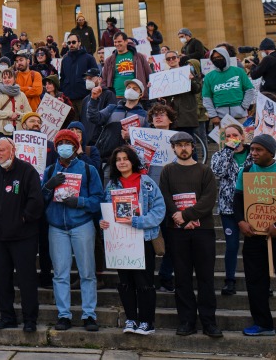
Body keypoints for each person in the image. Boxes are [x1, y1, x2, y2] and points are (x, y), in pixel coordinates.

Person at [159, 131, 221, 338]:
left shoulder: (205, 170)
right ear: (173, 148)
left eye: (187, 144)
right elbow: (166, 197)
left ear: (193, 147)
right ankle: (186, 321)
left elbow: (208, 199)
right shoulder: (167, 171)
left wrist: (185, 215)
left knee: (206, 278)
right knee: (182, 278)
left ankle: (209, 322)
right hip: (177, 232)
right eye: (179, 145)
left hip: (203, 230)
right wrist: (179, 219)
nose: (183, 148)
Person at [41, 129, 104, 332]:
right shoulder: (50, 170)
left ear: (76, 147)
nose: (64, 146)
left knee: (87, 272)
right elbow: (39, 200)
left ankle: (89, 315)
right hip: (57, 227)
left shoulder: (88, 169)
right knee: (60, 273)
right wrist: (48, 187)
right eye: (60, 143)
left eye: (68, 142)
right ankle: (64, 315)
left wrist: (80, 202)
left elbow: (98, 200)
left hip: (82, 225)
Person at [99, 146, 166, 335]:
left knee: (144, 282)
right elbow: (106, 209)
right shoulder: (112, 185)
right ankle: (131, 319)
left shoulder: (147, 183)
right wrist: (103, 221)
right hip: (121, 241)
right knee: (125, 281)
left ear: (133, 161)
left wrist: (137, 221)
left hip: (143, 239)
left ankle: (147, 322)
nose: (122, 162)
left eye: (125, 158)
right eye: (118, 159)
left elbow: (159, 210)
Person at [0, 138, 44, 332]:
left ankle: (30, 319)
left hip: (24, 237)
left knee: (26, 279)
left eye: (3, 150)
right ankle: (7, 316)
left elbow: (36, 200)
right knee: (2, 279)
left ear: (13, 150)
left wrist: (23, 219)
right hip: (1, 237)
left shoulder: (27, 171)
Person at [234, 134, 276, 336]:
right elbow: (237, 201)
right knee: (255, 281)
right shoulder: (247, 171)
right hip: (254, 235)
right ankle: (263, 323)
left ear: (271, 152)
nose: (253, 153)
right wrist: (241, 221)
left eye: (259, 150)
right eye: (252, 149)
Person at [210, 123, 248, 296]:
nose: (231, 138)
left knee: (254, 247)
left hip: (251, 206)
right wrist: (228, 151)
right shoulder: (219, 155)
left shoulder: (253, 153)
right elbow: (217, 172)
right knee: (232, 246)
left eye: (235, 134)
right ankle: (230, 281)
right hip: (229, 208)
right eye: (227, 135)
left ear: (242, 135)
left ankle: (260, 282)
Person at [203, 46, 255, 125]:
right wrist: (213, 116)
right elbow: (206, 98)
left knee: (243, 137)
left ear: (226, 57)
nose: (217, 59)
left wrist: (244, 106)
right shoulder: (209, 76)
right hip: (220, 119)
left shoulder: (239, 71)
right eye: (214, 58)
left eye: (220, 57)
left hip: (240, 117)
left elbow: (250, 90)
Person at [0, 67, 32, 135]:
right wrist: (10, 114)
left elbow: (29, 113)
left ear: (14, 79)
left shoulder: (21, 95)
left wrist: (18, 115)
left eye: (9, 77)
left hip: (19, 131)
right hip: (1, 130)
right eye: (4, 78)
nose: (7, 80)